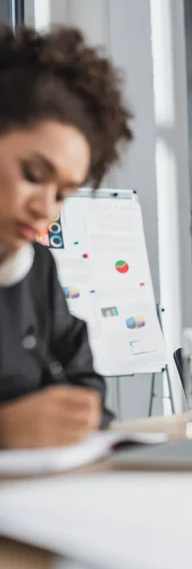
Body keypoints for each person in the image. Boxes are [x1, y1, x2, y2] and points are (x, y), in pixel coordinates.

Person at [0, 23, 133, 448]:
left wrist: (82, 414)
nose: (46, 208)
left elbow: (81, 374)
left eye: (63, 193)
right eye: (33, 175)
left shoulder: (36, 266)